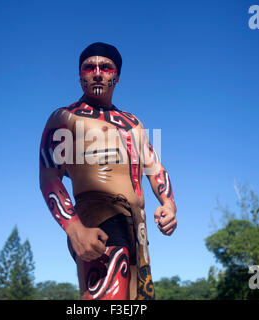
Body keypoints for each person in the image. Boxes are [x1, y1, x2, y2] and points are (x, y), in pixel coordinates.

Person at [39, 42, 177, 300]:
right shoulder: (66, 118)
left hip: (137, 225)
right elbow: (49, 178)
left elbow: (154, 165)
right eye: (89, 67)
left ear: (117, 76)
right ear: (80, 76)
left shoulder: (133, 123)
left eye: (105, 67)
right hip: (97, 214)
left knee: (138, 300)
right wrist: (75, 229)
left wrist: (169, 204)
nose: (98, 72)